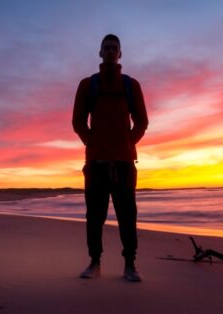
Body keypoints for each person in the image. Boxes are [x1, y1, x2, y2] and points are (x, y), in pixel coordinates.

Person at [72, 34, 149, 282]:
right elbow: (78, 121)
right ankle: (94, 262)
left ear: (120, 54)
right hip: (96, 164)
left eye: (115, 48)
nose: (110, 51)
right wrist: (92, 142)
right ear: (100, 52)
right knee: (95, 216)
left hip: (125, 164)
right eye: (106, 47)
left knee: (128, 216)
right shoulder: (88, 84)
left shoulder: (131, 85)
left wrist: (127, 142)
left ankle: (130, 265)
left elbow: (142, 121)